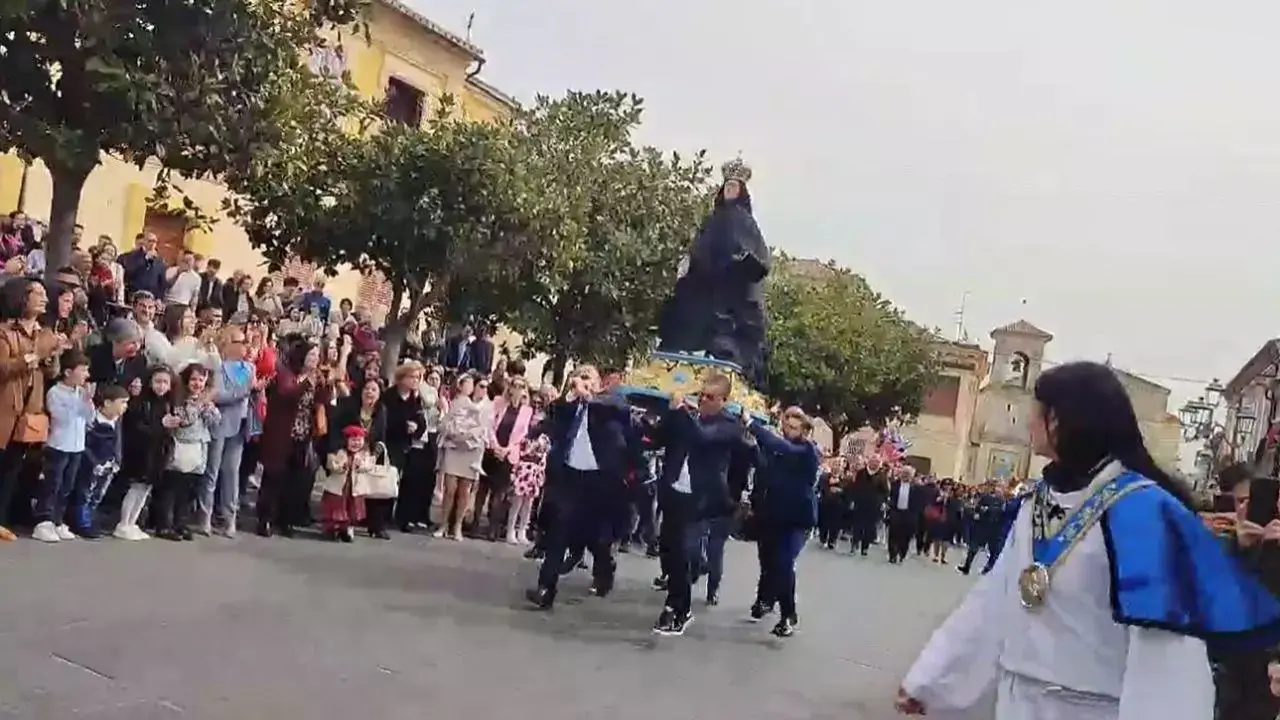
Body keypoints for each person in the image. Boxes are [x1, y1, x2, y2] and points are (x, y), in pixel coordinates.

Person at [895, 361, 1280, 719]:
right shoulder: (1037, 504)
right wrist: (930, 680)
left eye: (1037, 410)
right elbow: (994, 599)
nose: (1029, 422)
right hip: (1020, 704)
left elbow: (1167, 648)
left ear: (1060, 420)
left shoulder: (1144, 512)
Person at [525, 365, 645, 611]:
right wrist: (570, 397)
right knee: (558, 531)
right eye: (577, 377)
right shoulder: (571, 406)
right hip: (570, 477)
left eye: (587, 377)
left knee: (597, 537)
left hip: (599, 480)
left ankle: (604, 571)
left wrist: (589, 396)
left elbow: (619, 410)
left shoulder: (611, 402)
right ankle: (545, 588)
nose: (580, 382)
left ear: (599, 383)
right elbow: (554, 415)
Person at [647, 373, 748, 635]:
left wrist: (682, 412)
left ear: (724, 400)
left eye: (710, 397)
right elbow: (660, 437)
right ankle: (676, 599)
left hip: (700, 498)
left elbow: (702, 438)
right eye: (701, 394)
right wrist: (671, 413)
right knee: (669, 550)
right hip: (674, 490)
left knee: (682, 550)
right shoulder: (691, 417)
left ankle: (679, 608)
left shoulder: (728, 425)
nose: (703, 400)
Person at [656, 157, 771, 384]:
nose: (729, 190)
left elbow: (759, 258)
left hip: (732, 290)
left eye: (734, 187)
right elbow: (698, 249)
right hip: (705, 285)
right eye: (726, 186)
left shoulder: (745, 221)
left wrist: (740, 260)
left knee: (724, 338)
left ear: (742, 191)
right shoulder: (711, 220)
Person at [746, 406, 820, 638]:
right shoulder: (775, 450)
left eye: (794, 428)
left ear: (804, 430)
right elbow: (762, 468)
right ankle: (765, 599)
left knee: (783, 563)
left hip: (797, 519)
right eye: (786, 426)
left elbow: (781, 446)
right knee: (768, 562)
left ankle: (788, 614)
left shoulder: (806, 450)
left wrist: (752, 425)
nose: (789, 431)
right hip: (772, 514)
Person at [31, 349, 94, 543]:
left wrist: (87, 401)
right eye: (82, 370)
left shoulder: (81, 393)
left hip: (76, 445)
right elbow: (62, 418)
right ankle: (43, 521)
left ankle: (58, 520)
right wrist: (80, 403)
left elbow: (89, 418)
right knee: (53, 484)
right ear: (68, 372)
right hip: (58, 445)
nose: (86, 375)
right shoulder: (55, 392)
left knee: (67, 486)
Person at [113, 366, 176, 540]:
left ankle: (132, 522)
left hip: (157, 452)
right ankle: (124, 523)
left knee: (145, 489)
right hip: (141, 452)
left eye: (165, 382)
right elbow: (138, 428)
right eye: (157, 381)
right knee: (136, 487)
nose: (161, 386)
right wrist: (161, 426)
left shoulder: (167, 403)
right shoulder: (141, 402)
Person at [68, 384, 128, 539]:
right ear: (107, 403)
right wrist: (93, 462)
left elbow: (118, 442)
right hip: (91, 464)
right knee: (85, 492)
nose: (125, 406)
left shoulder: (117, 421)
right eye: (122, 402)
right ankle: (81, 523)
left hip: (109, 464)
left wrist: (117, 460)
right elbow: (86, 443)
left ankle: (90, 518)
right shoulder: (93, 420)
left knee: (98, 493)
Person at [320, 425, 375, 542]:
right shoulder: (339, 452)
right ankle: (334, 529)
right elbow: (331, 465)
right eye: (353, 440)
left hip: (355, 488)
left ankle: (348, 530)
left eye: (359, 440)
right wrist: (341, 466)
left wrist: (361, 465)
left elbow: (369, 466)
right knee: (337, 509)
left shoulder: (364, 454)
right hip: (339, 487)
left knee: (352, 510)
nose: (356, 443)